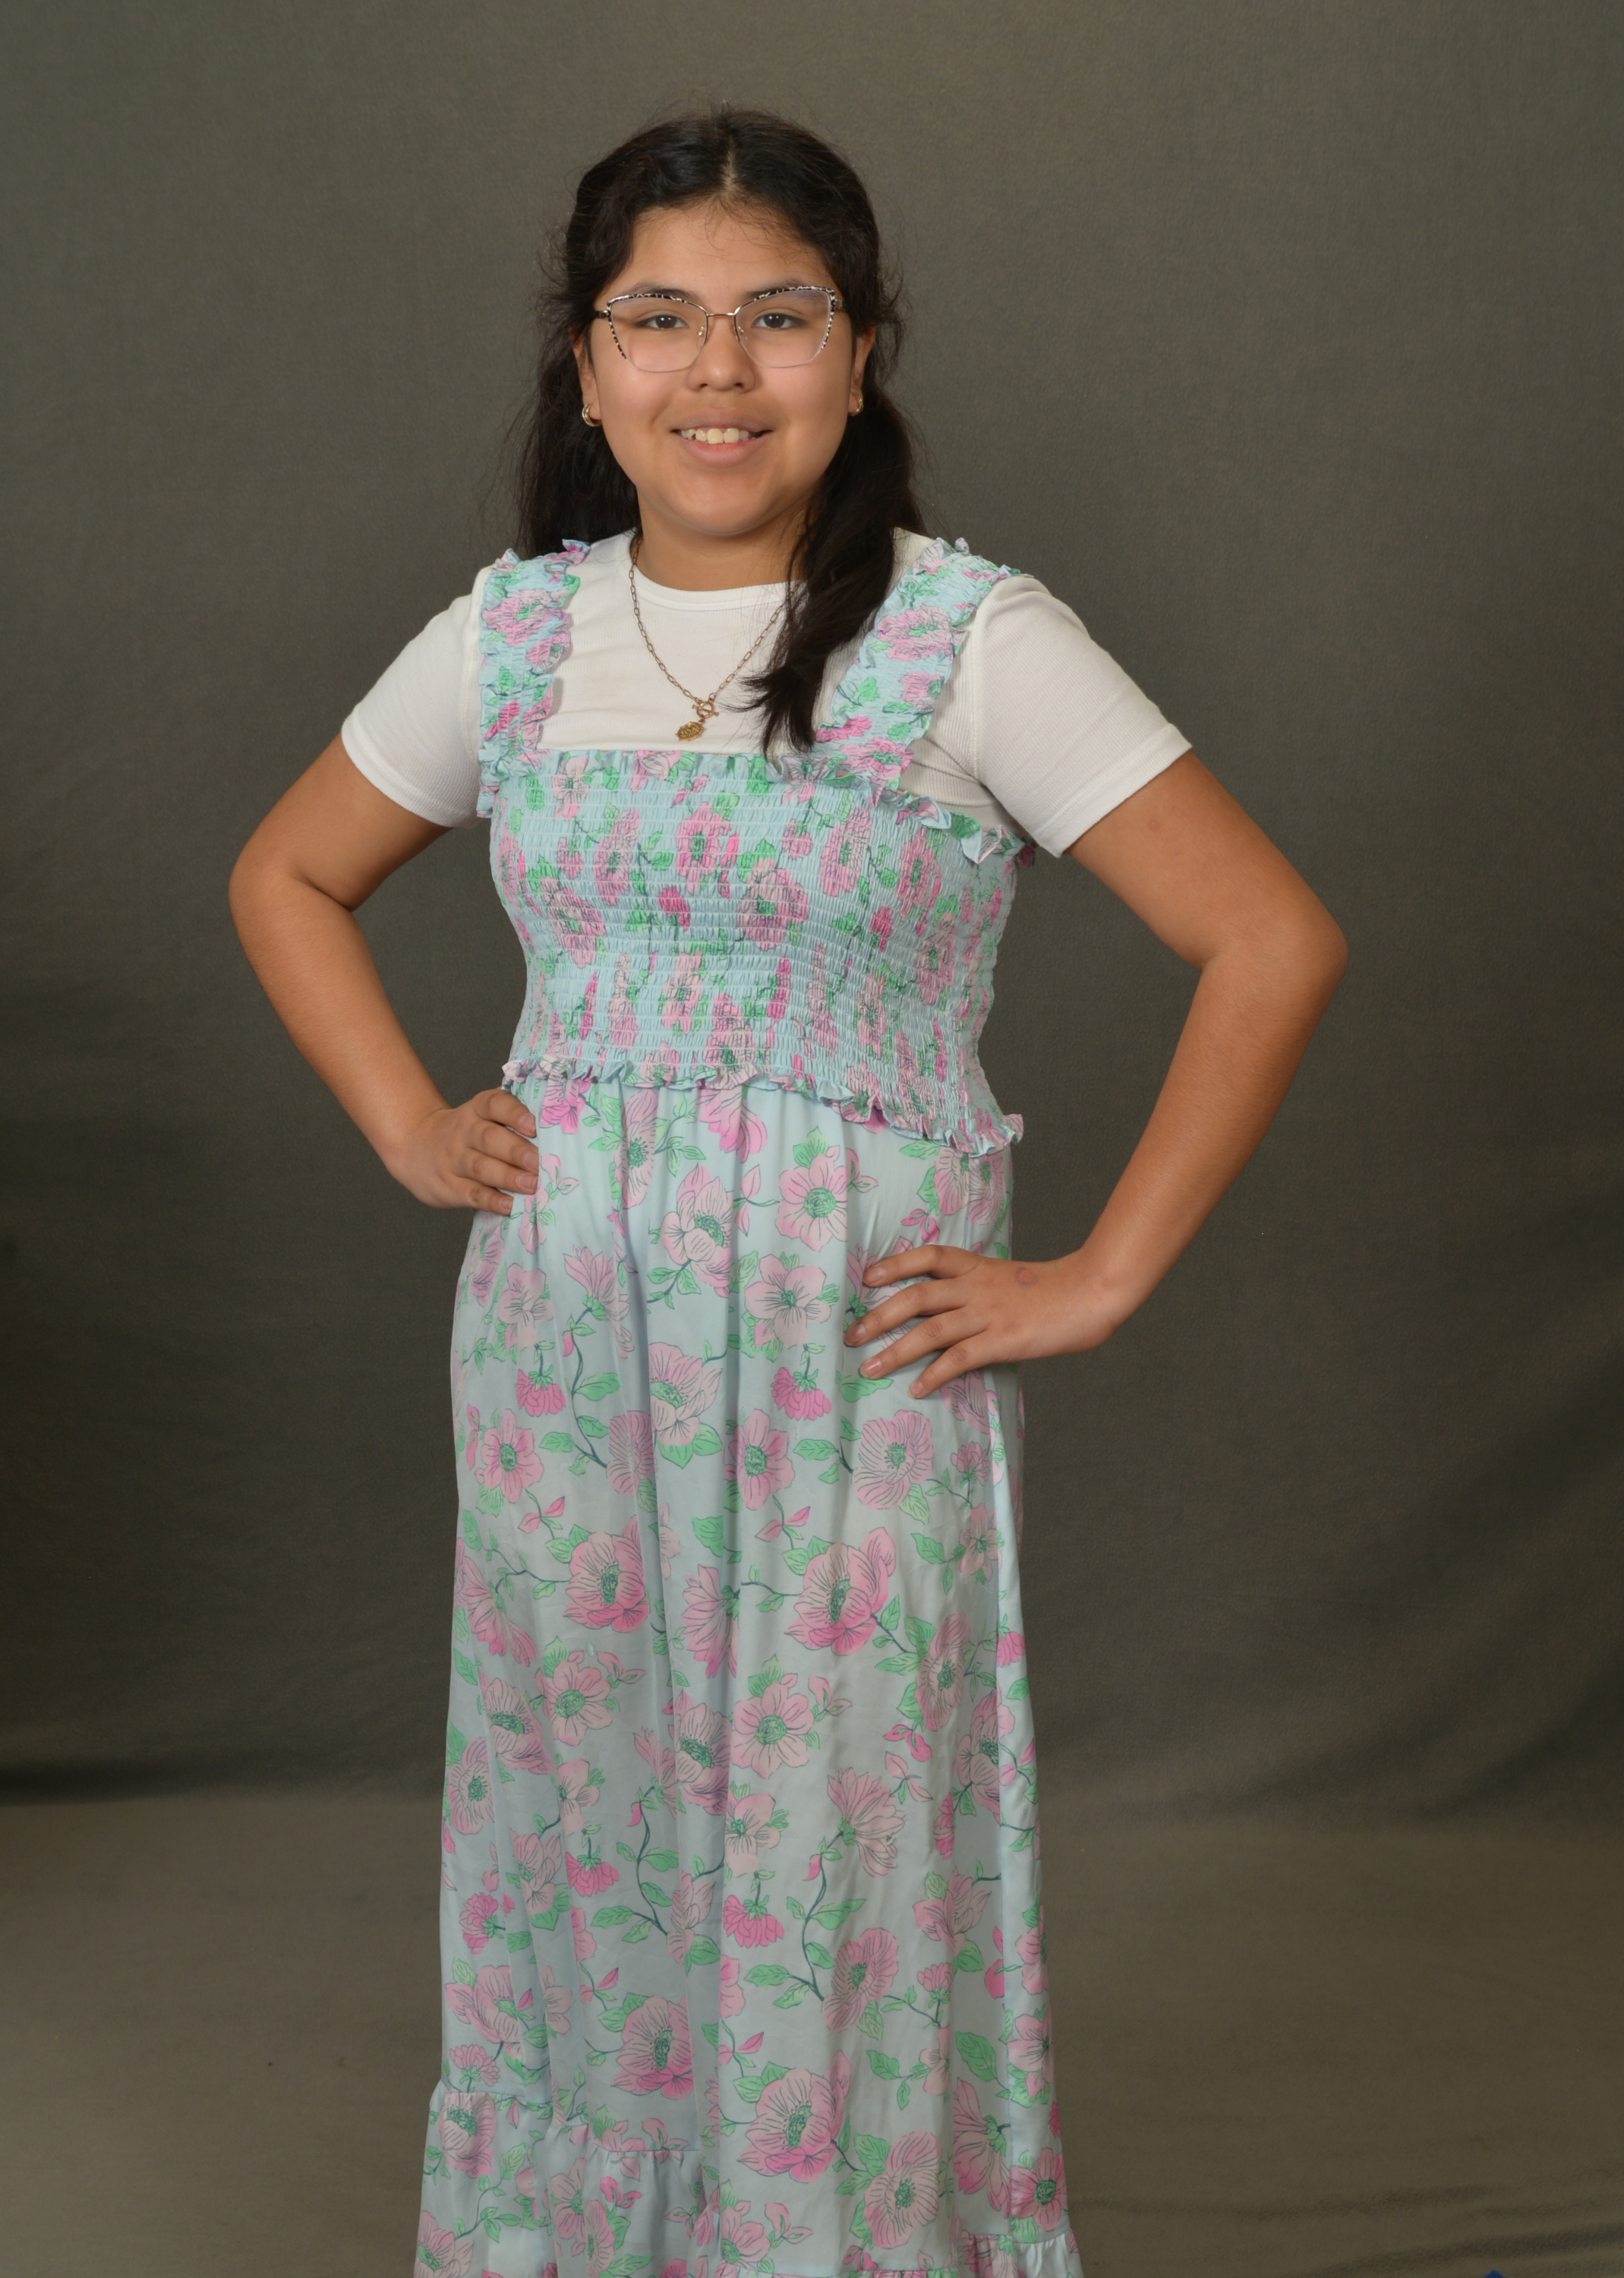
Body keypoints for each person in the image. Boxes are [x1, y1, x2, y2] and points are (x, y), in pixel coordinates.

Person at [230, 108, 1345, 2278]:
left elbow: (1269, 939)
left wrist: (1098, 1276)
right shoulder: (516, 641)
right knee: (589, 1840)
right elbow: (285, 875)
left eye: (777, 317)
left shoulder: (968, 639)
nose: (716, 372)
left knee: (833, 1841)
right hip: (565, 1366)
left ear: (859, 354)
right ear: (587, 367)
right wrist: (408, 1124)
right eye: (659, 319)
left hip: (854, 1373)